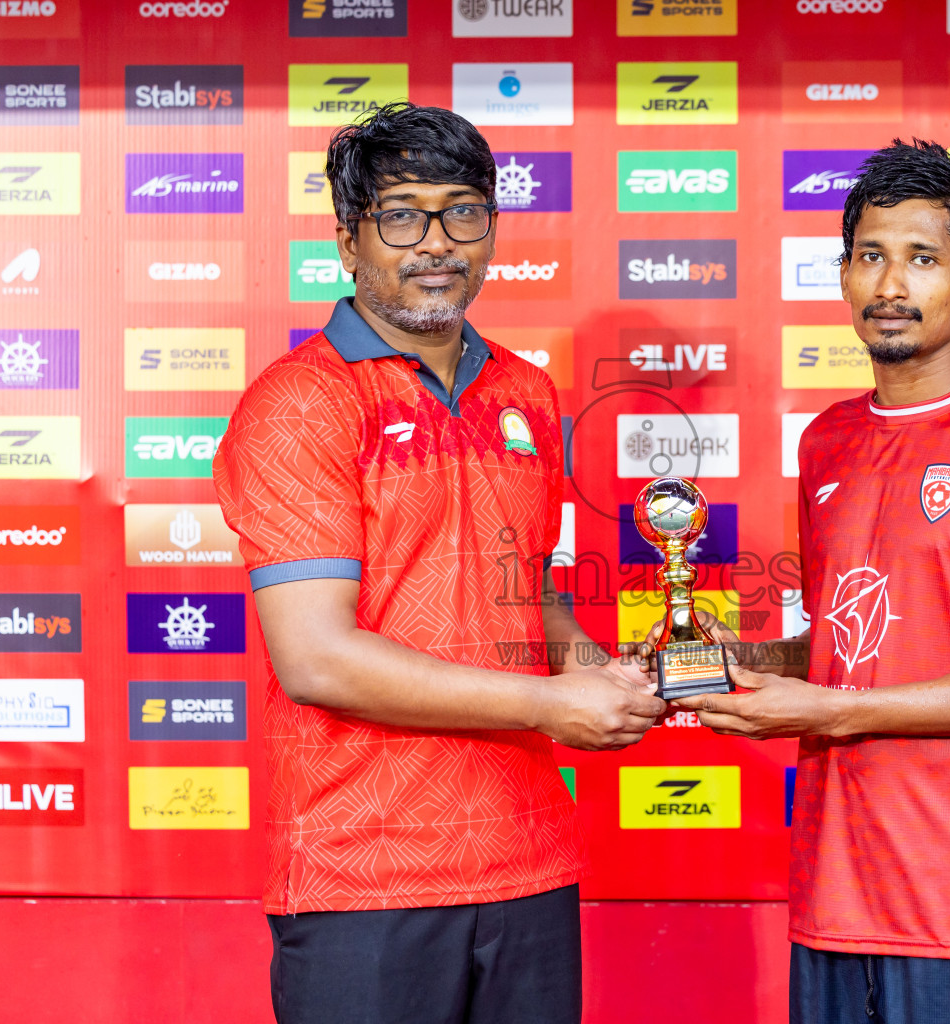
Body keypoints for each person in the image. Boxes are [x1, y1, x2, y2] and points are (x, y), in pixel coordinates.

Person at [214, 102, 664, 1024]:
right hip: (365, 877)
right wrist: (550, 705)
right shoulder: (300, 404)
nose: (437, 243)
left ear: (491, 229)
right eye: (403, 215)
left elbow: (530, 599)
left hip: (529, 863)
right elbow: (318, 659)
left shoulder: (527, 393)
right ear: (349, 241)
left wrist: (615, 678)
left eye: (462, 212)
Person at [672, 139, 950, 1023]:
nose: (890, 286)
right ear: (842, 274)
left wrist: (828, 713)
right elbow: (848, 651)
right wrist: (741, 661)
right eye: (870, 256)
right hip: (833, 900)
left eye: (922, 259)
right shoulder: (826, 440)